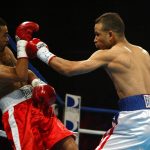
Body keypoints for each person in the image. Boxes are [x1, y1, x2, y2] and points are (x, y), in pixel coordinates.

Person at [24, 12, 150, 149]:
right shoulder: (143, 53)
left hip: (134, 120)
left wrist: (41, 51)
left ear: (110, 35)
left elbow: (69, 69)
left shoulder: (109, 54)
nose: (94, 39)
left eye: (97, 34)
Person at [0, 18, 78, 150]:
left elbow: (27, 72)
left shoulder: (5, 51)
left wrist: (38, 84)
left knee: (69, 145)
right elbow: (20, 75)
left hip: (35, 103)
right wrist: (22, 44)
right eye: (4, 35)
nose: (7, 38)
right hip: (17, 112)